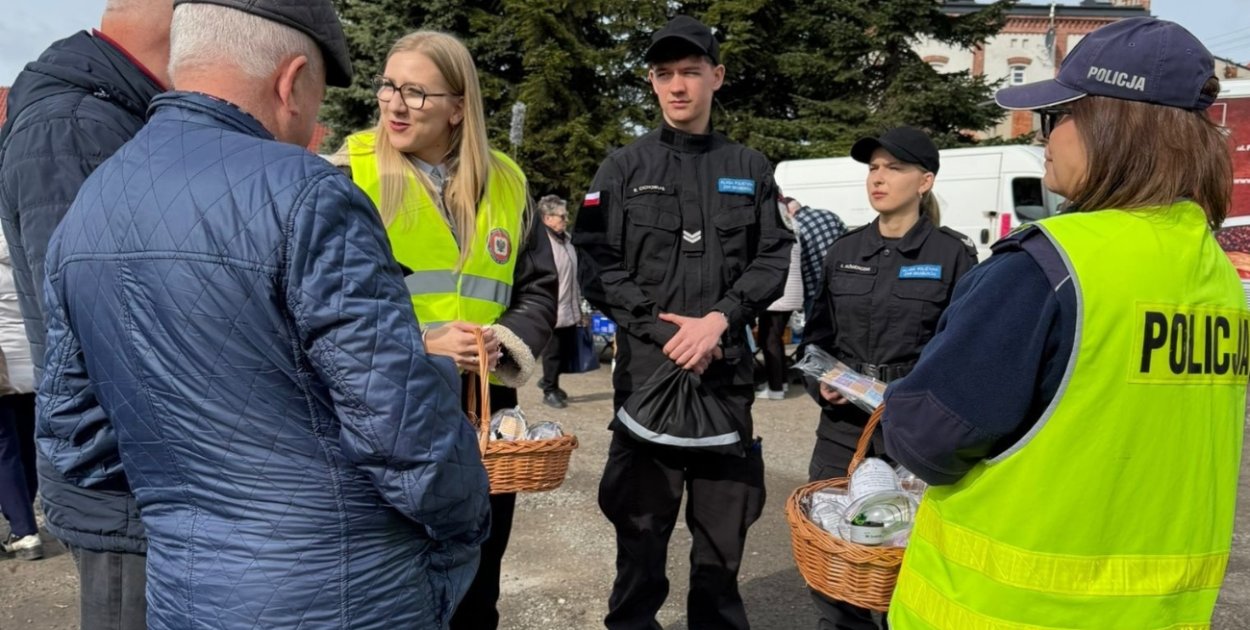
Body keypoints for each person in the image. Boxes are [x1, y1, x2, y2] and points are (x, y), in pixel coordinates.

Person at [36, 1, 490, 627]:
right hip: (343, 590)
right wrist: (467, 522)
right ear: (291, 80)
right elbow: (403, 429)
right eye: (317, 96)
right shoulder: (308, 194)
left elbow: (74, 435)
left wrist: (191, 506)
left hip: (184, 590)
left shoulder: (90, 205)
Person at [882, 18, 1247, 629]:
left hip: (1012, 613)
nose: (1045, 134)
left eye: (1060, 115)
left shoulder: (1048, 266)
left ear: (1114, 125)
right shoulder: (1216, 275)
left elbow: (928, 440)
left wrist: (894, 402)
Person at [574, 15, 793, 630]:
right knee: (639, 550)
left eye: (691, 72)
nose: (678, 85)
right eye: (664, 73)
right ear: (651, 82)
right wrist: (668, 332)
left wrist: (720, 319)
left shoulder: (751, 167)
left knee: (721, 554)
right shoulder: (621, 169)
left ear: (716, 77)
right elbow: (596, 263)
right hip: (649, 382)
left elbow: (774, 256)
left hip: (725, 385)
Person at [332, 30, 556, 630]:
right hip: (385, 414)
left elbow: (538, 286)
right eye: (388, 86)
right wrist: (421, 345)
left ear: (459, 107)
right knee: (390, 594)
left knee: (477, 590)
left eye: (415, 92)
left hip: (485, 415)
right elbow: (322, 306)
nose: (394, 104)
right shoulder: (345, 173)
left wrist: (503, 343)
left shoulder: (508, 181)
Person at [0, 0, 171, 622]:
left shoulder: (106, 112)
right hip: (122, 484)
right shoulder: (74, 126)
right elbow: (91, 335)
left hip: (136, 476)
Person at [800, 126, 977, 629]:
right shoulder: (844, 250)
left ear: (925, 181)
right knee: (836, 558)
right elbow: (816, 338)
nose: (878, 178)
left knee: (908, 558)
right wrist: (822, 384)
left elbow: (963, 350)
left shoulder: (952, 255)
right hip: (843, 431)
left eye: (894, 168)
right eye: (873, 168)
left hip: (913, 431)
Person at [0, 228, 38, 560]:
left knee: (4, 449)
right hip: (31, 362)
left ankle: (24, 529)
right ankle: (24, 520)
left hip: (3, 367)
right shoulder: (23, 256)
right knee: (27, 445)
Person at [536, 194, 583, 409]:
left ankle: (549, 379)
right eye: (561, 216)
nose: (566, 220)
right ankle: (549, 389)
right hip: (552, 309)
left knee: (566, 352)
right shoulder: (541, 244)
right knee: (552, 353)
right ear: (547, 218)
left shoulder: (567, 240)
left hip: (569, 307)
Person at [757, 199, 804, 400]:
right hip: (790, 290)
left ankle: (775, 388)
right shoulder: (791, 224)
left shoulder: (774, 225)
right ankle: (781, 382)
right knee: (774, 338)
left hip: (777, 292)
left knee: (770, 340)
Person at [784, 197, 848, 316]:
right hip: (843, 286)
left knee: (817, 327)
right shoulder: (830, 215)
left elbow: (794, 263)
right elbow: (849, 244)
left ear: (788, 211)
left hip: (814, 290)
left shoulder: (794, 227)